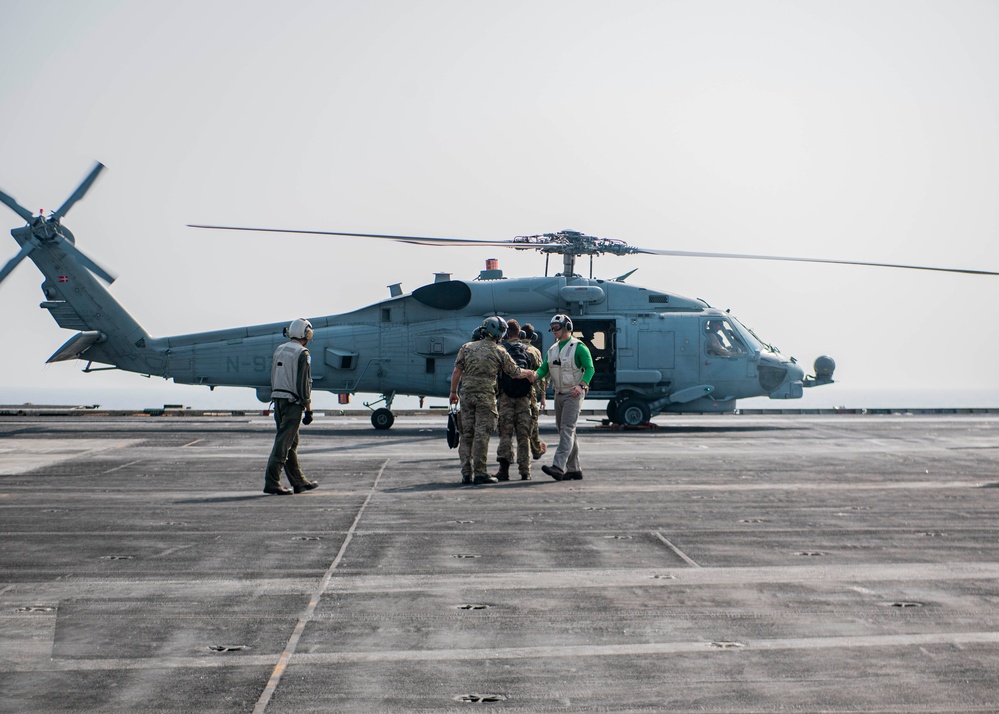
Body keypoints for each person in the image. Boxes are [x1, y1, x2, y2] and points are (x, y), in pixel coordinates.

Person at [450, 316, 536, 485]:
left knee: (467, 435)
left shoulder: (466, 348)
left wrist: (453, 392)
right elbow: (515, 372)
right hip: (485, 397)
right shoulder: (499, 351)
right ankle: (480, 473)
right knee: (481, 434)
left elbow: (456, 372)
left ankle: (466, 473)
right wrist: (530, 373)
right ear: (499, 333)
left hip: (466, 395)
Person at [264, 318, 320, 495]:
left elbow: (273, 376)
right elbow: (305, 384)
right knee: (283, 443)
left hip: (278, 400)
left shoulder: (280, 349)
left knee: (291, 443)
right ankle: (272, 482)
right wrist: (308, 409)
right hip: (293, 403)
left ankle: (299, 482)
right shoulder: (303, 353)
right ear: (307, 334)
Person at [535, 314, 594, 481]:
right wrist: (532, 375)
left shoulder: (579, 347)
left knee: (567, 429)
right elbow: (544, 369)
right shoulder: (552, 349)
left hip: (573, 394)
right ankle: (574, 469)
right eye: (552, 328)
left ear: (567, 328)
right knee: (565, 431)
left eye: (557, 328)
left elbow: (590, 368)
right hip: (559, 394)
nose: (553, 331)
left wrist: (582, 385)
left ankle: (558, 467)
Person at [494, 319, 536, 481]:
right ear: (519, 333)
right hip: (524, 398)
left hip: (506, 397)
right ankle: (525, 471)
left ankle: (504, 470)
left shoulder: (501, 350)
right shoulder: (529, 351)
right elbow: (535, 374)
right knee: (523, 435)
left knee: (505, 433)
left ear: (506, 333)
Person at [521, 324, 547, 460]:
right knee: (532, 422)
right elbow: (541, 376)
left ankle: (506, 457)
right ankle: (536, 450)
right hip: (529, 393)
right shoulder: (535, 351)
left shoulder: (509, 349)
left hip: (508, 393)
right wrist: (543, 397)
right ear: (533, 337)